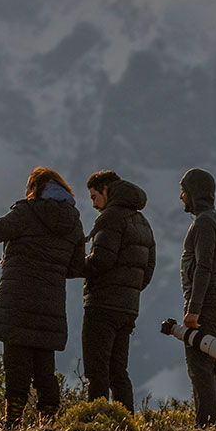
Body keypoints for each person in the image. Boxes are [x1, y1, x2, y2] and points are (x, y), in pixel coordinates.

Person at [0, 166, 86, 429]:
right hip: (51, 305)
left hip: (17, 301)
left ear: (34, 188)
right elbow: (77, 267)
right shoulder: (74, 221)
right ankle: (48, 423)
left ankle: (12, 422)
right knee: (44, 366)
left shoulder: (25, 212)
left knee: (16, 363)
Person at [81, 169, 155, 413]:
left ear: (105, 190)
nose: (93, 204)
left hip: (102, 304)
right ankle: (126, 422)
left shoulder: (110, 217)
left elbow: (101, 260)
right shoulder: (142, 221)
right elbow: (149, 267)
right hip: (128, 307)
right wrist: (131, 290)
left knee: (97, 369)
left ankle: (97, 422)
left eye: (94, 197)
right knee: (118, 370)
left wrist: (74, 265)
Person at [178, 167, 216, 427]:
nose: (181, 197)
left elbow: (203, 268)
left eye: (184, 191)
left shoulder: (202, 223)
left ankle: (207, 428)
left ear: (194, 193)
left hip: (207, 304)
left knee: (200, 366)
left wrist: (193, 309)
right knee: (215, 363)